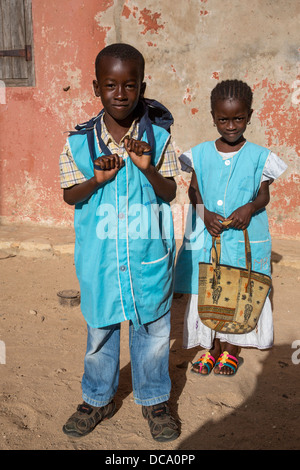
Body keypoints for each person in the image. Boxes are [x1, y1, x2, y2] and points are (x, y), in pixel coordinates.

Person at [59, 43, 180, 442]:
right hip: (101, 261)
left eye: (130, 85)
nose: (121, 93)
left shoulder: (159, 139)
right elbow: (68, 195)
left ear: (142, 86)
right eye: (111, 84)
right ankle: (97, 398)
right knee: (101, 332)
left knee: (152, 331)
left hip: (147, 258)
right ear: (97, 87)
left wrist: (147, 169)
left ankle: (155, 398)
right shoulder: (78, 143)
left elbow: (170, 192)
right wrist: (96, 180)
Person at [174, 79, 287, 376]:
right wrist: (204, 212)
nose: (231, 125)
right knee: (210, 289)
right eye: (223, 119)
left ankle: (232, 349)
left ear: (249, 115)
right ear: (213, 117)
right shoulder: (198, 153)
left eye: (238, 118)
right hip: (209, 236)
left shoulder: (261, 156)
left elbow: (264, 194)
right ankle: (210, 348)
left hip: (244, 238)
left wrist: (250, 208)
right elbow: (193, 190)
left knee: (239, 292)